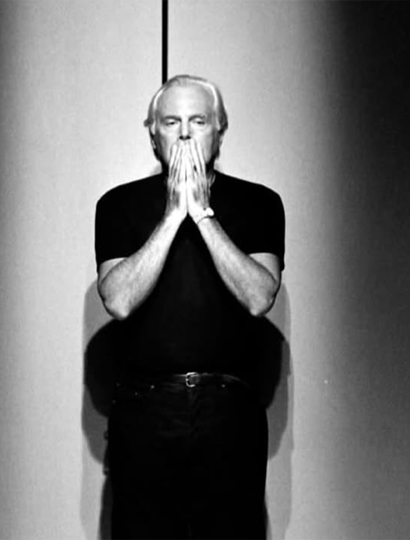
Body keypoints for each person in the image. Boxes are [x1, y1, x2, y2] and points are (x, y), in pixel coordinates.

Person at [94, 74, 285, 539]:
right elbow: (118, 300)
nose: (184, 134)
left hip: (229, 410)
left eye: (198, 121)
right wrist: (172, 215)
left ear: (220, 131)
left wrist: (202, 214)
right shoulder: (118, 205)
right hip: (145, 407)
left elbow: (259, 296)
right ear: (152, 135)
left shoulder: (259, 203)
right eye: (171, 122)